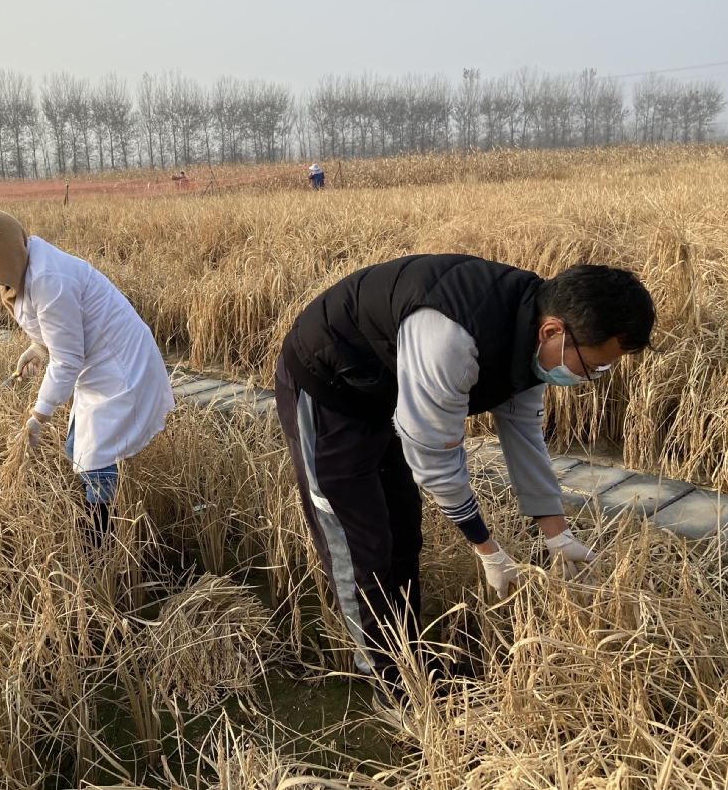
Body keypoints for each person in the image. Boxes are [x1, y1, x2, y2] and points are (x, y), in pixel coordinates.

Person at [274, 254, 655, 722]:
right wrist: (488, 549)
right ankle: (387, 686)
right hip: (329, 385)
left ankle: (406, 656)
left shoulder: (529, 330)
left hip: (386, 386)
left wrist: (557, 534)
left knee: (402, 530)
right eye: (593, 366)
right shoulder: (450, 338)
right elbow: (433, 458)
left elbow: (523, 430)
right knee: (360, 545)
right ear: (553, 332)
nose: (592, 378)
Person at [0, 205, 176, 539]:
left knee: (96, 462)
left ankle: (100, 542)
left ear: (3, 258)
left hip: (121, 370)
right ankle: (95, 515)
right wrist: (39, 348)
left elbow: (68, 359)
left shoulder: (49, 281)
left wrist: (38, 416)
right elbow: (62, 331)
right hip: (99, 366)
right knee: (78, 450)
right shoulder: (28, 270)